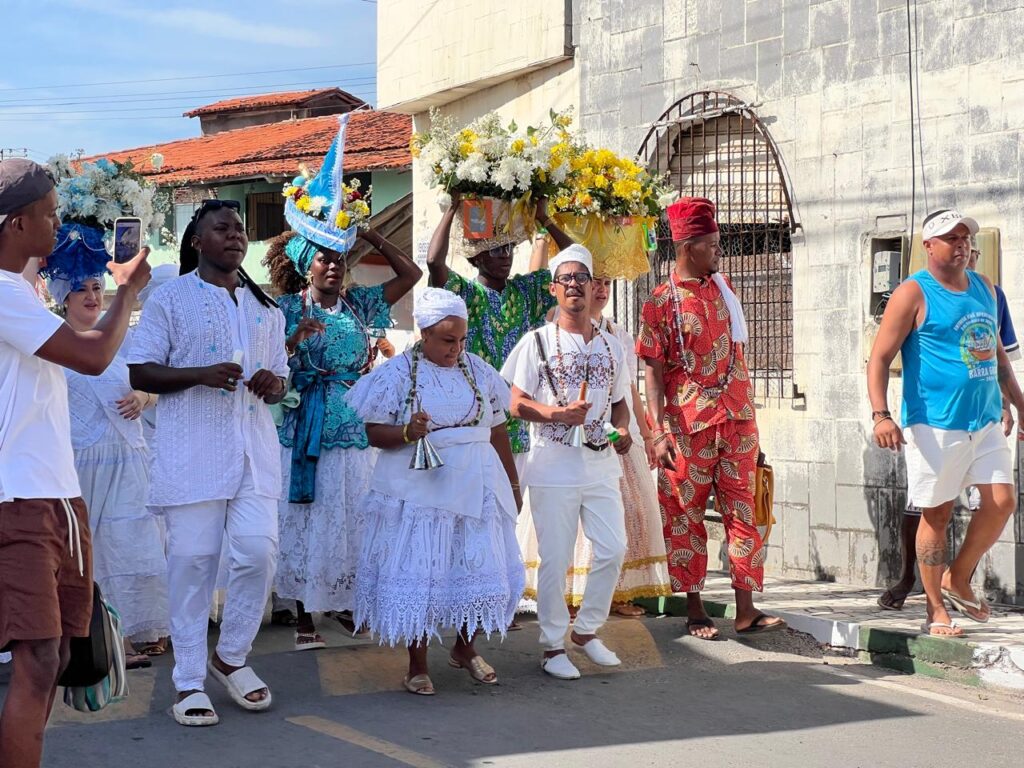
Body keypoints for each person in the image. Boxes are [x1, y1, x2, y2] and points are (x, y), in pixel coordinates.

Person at [0, 158, 150, 768]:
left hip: (57, 497)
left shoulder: (20, 291)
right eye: (50, 214)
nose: (59, 225)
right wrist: (127, 291)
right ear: (16, 223)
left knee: (60, 654)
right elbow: (90, 355)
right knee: (39, 658)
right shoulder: (0, 294)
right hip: (18, 500)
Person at [127, 199, 288, 726]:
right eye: (222, 228)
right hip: (193, 454)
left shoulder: (267, 309)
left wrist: (273, 383)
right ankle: (189, 681)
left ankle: (231, 657)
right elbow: (141, 372)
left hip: (254, 453)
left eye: (240, 229)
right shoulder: (171, 299)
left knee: (259, 554)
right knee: (193, 564)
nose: (235, 235)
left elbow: (281, 379)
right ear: (197, 241)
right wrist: (199, 374)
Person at [346, 288, 524, 695]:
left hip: (479, 486)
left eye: (461, 339)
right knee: (424, 573)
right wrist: (407, 432)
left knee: (478, 568)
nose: (456, 349)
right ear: (424, 333)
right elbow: (373, 432)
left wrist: (512, 484)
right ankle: (417, 665)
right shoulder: (396, 374)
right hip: (422, 492)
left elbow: (497, 430)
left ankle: (465, 648)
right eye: (447, 340)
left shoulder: (478, 370)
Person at [263, 213, 420, 648]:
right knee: (307, 517)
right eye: (323, 259)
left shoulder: (360, 305)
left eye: (339, 258)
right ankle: (303, 613)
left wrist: (366, 232)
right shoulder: (286, 309)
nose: (333, 266)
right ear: (306, 266)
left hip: (354, 428)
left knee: (353, 518)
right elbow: (267, 362)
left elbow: (411, 273)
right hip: (305, 426)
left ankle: (346, 601)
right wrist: (293, 341)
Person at [868, 209, 1024, 637]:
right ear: (928, 246)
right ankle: (935, 608)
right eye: (950, 238)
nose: (961, 245)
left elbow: (997, 355)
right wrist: (881, 415)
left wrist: (1017, 403)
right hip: (935, 423)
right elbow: (879, 357)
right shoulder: (913, 293)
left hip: (985, 419)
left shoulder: (985, 287)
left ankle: (958, 578)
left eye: (965, 238)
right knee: (936, 514)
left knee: (1002, 502)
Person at [637, 197, 785, 641]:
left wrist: (751, 427)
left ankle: (746, 609)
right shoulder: (660, 302)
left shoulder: (726, 288)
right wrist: (657, 432)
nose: (720, 250)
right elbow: (652, 372)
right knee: (685, 516)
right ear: (688, 247)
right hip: (688, 427)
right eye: (713, 244)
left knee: (745, 511)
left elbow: (736, 353)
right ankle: (695, 607)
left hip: (737, 419)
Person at [502, 244, 633, 680]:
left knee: (613, 548)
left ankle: (587, 630)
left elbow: (619, 403)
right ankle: (552, 645)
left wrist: (623, 430)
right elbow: (515, 402)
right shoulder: (536, 342)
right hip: (553, 463)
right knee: (555, 559)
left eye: (582, 278)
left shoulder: (612, 345)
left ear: (594, 286)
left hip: (600, 462)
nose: (574, 285)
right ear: (554, 289)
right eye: (566, 279)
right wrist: (556, 414)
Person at [44, 233, 169, 670]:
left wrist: (143, 398)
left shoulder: (123, 339)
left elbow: (154, 382)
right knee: (86, 555)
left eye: (97, 287)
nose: (92, 296)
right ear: (63, 297)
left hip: (129, 461)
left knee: (130, 547)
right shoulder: (52, 343)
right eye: (81, 289)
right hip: (80, 466)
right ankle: (91, 639)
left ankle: (130, 635)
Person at [518, 273, 671, 616]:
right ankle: (569, 596)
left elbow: (627, 390)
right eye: (596, 282)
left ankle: (614, 595)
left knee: (624, 516)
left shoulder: (617, 334)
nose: (601, 290)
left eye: (607, 284)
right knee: (569, 525)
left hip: (612, 435)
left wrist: (646, 434)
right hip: (564, 443)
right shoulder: (554, 328)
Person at [427, 195, 572, 457]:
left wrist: (543, 218)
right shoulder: (465, 294)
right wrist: (453, 207)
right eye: (496, 250)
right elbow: (434, 263)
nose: (505, 256)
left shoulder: (527, 292)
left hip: (518, 421)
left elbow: (575, 260)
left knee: (513, 485)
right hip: (473, 423)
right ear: (477, 258)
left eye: (509, 248)